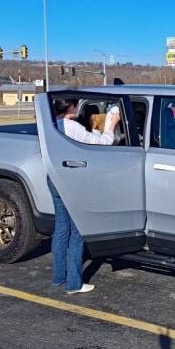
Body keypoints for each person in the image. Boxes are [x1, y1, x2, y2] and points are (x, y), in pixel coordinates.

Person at [48, 98, 121, 294]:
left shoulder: (51, 125)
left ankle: (58, 277)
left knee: (61, 229)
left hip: (54, 177)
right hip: (73, 181)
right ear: (72, 107)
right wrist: (111, 125)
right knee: (78, 231)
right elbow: (102, 144)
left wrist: (94, 129)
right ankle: (74, 283)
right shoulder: (73, 127)